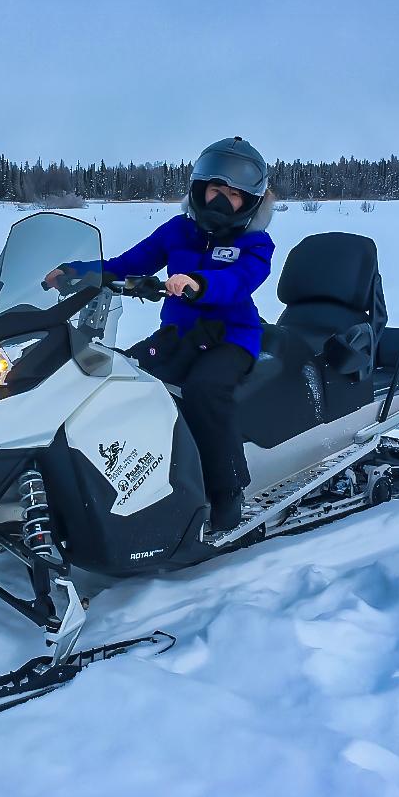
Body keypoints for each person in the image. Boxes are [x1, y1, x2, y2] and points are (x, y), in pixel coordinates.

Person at [47, 136, 274, 533]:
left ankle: (227, 491)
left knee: (205, 390)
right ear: (199, 190)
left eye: (234, 194)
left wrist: (198, 283)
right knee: (116, 373)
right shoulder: (178, 232)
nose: (222, 200)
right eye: (216, 189)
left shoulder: (255, 244)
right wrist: (77, 271)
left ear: (250, 202)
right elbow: (127, 263)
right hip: (179, 334)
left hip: (232, 338)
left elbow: (240, 281)